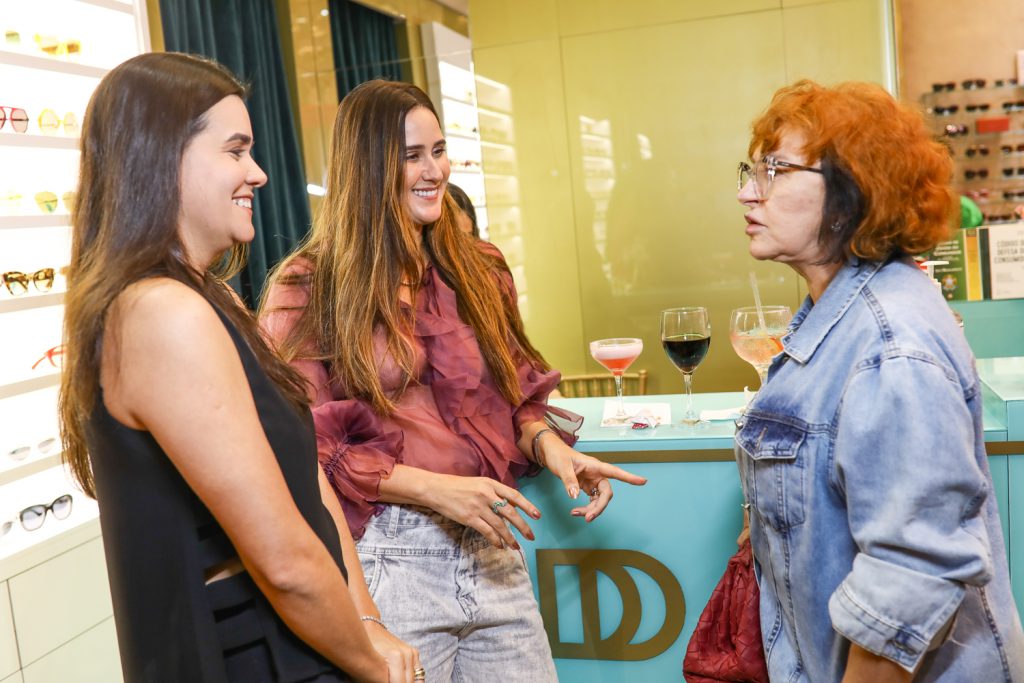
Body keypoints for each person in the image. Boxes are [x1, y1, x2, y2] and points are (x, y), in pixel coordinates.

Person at [259, 79, 647, 681]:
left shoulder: (479, 267)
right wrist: (437, 490)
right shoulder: (310, 285)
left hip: (492, 549)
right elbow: (303, 447)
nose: (434, 170)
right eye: (412, 156)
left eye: (438, 151)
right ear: (368, 168)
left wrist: (554, 449)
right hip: (390, 560)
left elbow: (514, 399)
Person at [58, 53, 421, 682]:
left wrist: (365, 621)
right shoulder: (161, 313)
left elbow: (306, 481)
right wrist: (372, 665)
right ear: (162, 159)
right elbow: (283, 562)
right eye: (235, 151)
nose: (258, 172)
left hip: (305, 640)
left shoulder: (211, 297)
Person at [735, 79, 1024, 682]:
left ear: (851, 195)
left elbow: (911, 577)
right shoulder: (839, 314)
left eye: (774, 170)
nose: (747, 192)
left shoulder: (891, 344)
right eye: (751, 170)